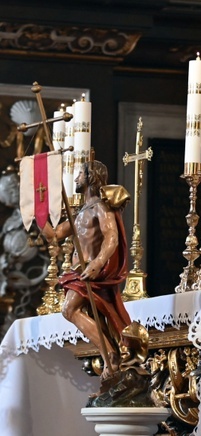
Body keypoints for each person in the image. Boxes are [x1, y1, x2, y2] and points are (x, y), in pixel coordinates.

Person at [44, 160, 131, 380]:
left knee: (68, 310)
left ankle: (110, 354)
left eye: (79, 174)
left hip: (91, 272)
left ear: (91, 177)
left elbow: (111, 238)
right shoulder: (80, 212)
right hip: (78, 271)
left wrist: (98, 262)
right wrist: (35, 214)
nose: (75, 179)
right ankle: (110, 358)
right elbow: (55, 235)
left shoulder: (101, 207)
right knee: (74, 312)